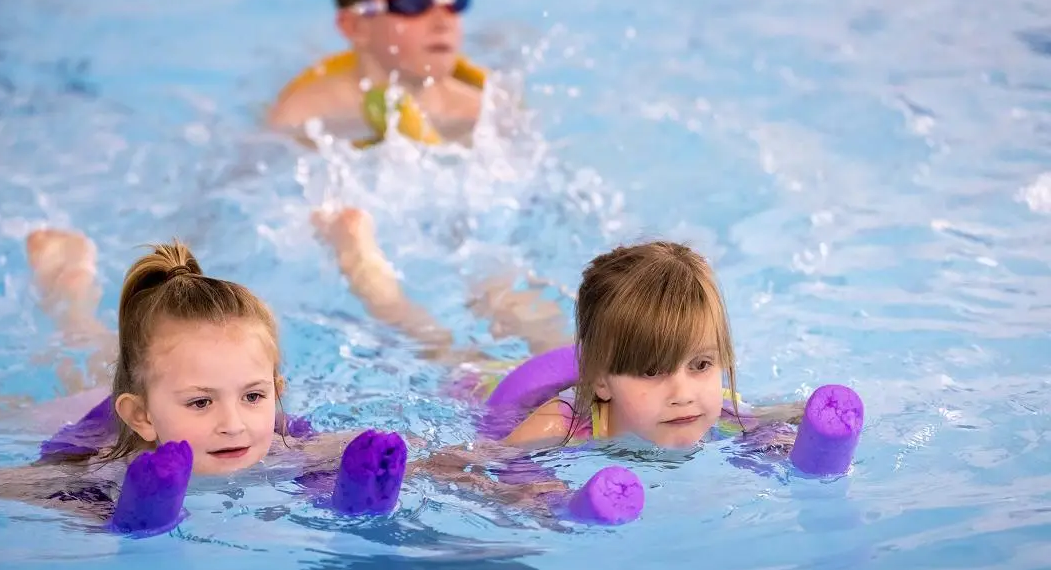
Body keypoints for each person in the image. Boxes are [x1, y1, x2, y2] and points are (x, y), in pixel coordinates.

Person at [0, 229, 643, 534]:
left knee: (114, 352)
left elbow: (441, 466)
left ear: (276, 392)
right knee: (84, 352)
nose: (234, 422)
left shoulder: (281, 441)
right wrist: (111, 511)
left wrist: (523, 493)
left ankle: (351, 501)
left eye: (254, 396)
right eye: (201, 403)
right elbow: (0, 485)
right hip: (84, 409)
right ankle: (66, 285)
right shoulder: (109, 456)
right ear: (144, 417)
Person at [312, 207, 807, 452]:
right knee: (430, 339)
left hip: (580, 358)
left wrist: (805, 422)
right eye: (653, 372)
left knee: (547, 326)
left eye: (701, 364)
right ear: (604, 380)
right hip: (497, 384)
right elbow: (479, 465)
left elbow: (775, 417)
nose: (684, 394)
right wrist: (523, 490)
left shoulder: (714, 405)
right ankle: (360, 259)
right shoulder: (560, 428)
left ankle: (499, 283)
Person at [266, 0, 484, 147]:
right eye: (414, 4)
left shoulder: (480, 114)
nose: (442, 22)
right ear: (355, 26)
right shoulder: (303, 117)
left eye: (454, 1)